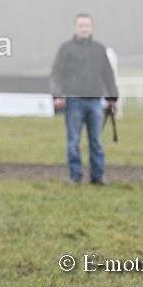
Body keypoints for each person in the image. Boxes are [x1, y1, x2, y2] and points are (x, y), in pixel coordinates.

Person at [50, 13, 119, 185]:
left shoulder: (99, 49)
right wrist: (57, 95)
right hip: (74, 102)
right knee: (73, 141)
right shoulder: (65, 49)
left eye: (87, 25)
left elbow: (107, 74)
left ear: (91, 28)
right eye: (81, 25)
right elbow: (57, 73)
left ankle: (98, 176)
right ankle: (75, 176)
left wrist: (113, 96)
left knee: (96, 142)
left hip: (95, 102)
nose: (84, 28)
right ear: (75, 28)